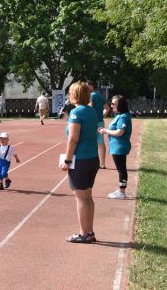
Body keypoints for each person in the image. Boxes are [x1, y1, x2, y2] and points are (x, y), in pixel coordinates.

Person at [60, 81, 99, 244]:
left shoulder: (77, 113)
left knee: (80, 198)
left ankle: (84, 234)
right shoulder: (91, 111)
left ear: (74, 95)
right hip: (92, 158)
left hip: (80, 160)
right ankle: (89, 232)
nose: (69, 95)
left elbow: (73, 139)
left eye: (70, 92)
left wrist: (67, 160)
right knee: (88, 197)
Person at [98, 95, 132, 200]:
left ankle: (122, 192)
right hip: (116, 146)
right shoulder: (120, 115)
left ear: (120, 105)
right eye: (111, 103)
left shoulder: (123, 117)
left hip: (119, 147)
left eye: (113, 104)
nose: (111, 106)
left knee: (121, 169)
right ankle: (121, 189)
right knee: (120, 169)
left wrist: (105, 131)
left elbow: (119, 132)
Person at [88, 81, 110, 169]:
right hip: (100, 121)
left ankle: (94, 163)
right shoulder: (100, 96)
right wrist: (101, 115)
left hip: (92, 122)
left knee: (92, 142)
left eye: (87, 86)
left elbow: (89, 107)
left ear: (91, 86)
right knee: (100, 142)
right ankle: (102, 163)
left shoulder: (91, 96)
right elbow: (107, 108)